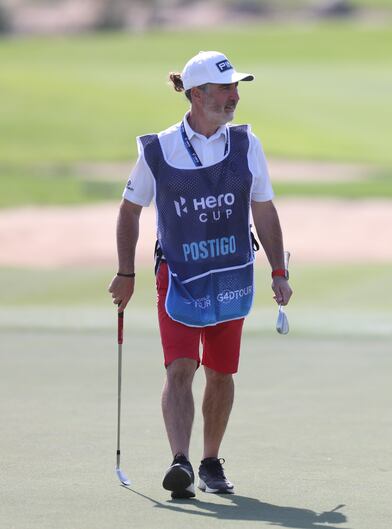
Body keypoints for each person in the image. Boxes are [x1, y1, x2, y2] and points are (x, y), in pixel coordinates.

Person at [107, 50, 292, 499]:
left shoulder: (247, 143)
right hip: (179, 274)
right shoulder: (160, 147)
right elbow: (130, 210)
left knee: (221, 372)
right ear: (195, 93)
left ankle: (210, 462)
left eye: (236, 88)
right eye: (224, 88)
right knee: (181, 368)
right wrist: (126, 272)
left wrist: (279, 269)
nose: (234, 97)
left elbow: (263, 208)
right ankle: (180, 462)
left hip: (232, 273)